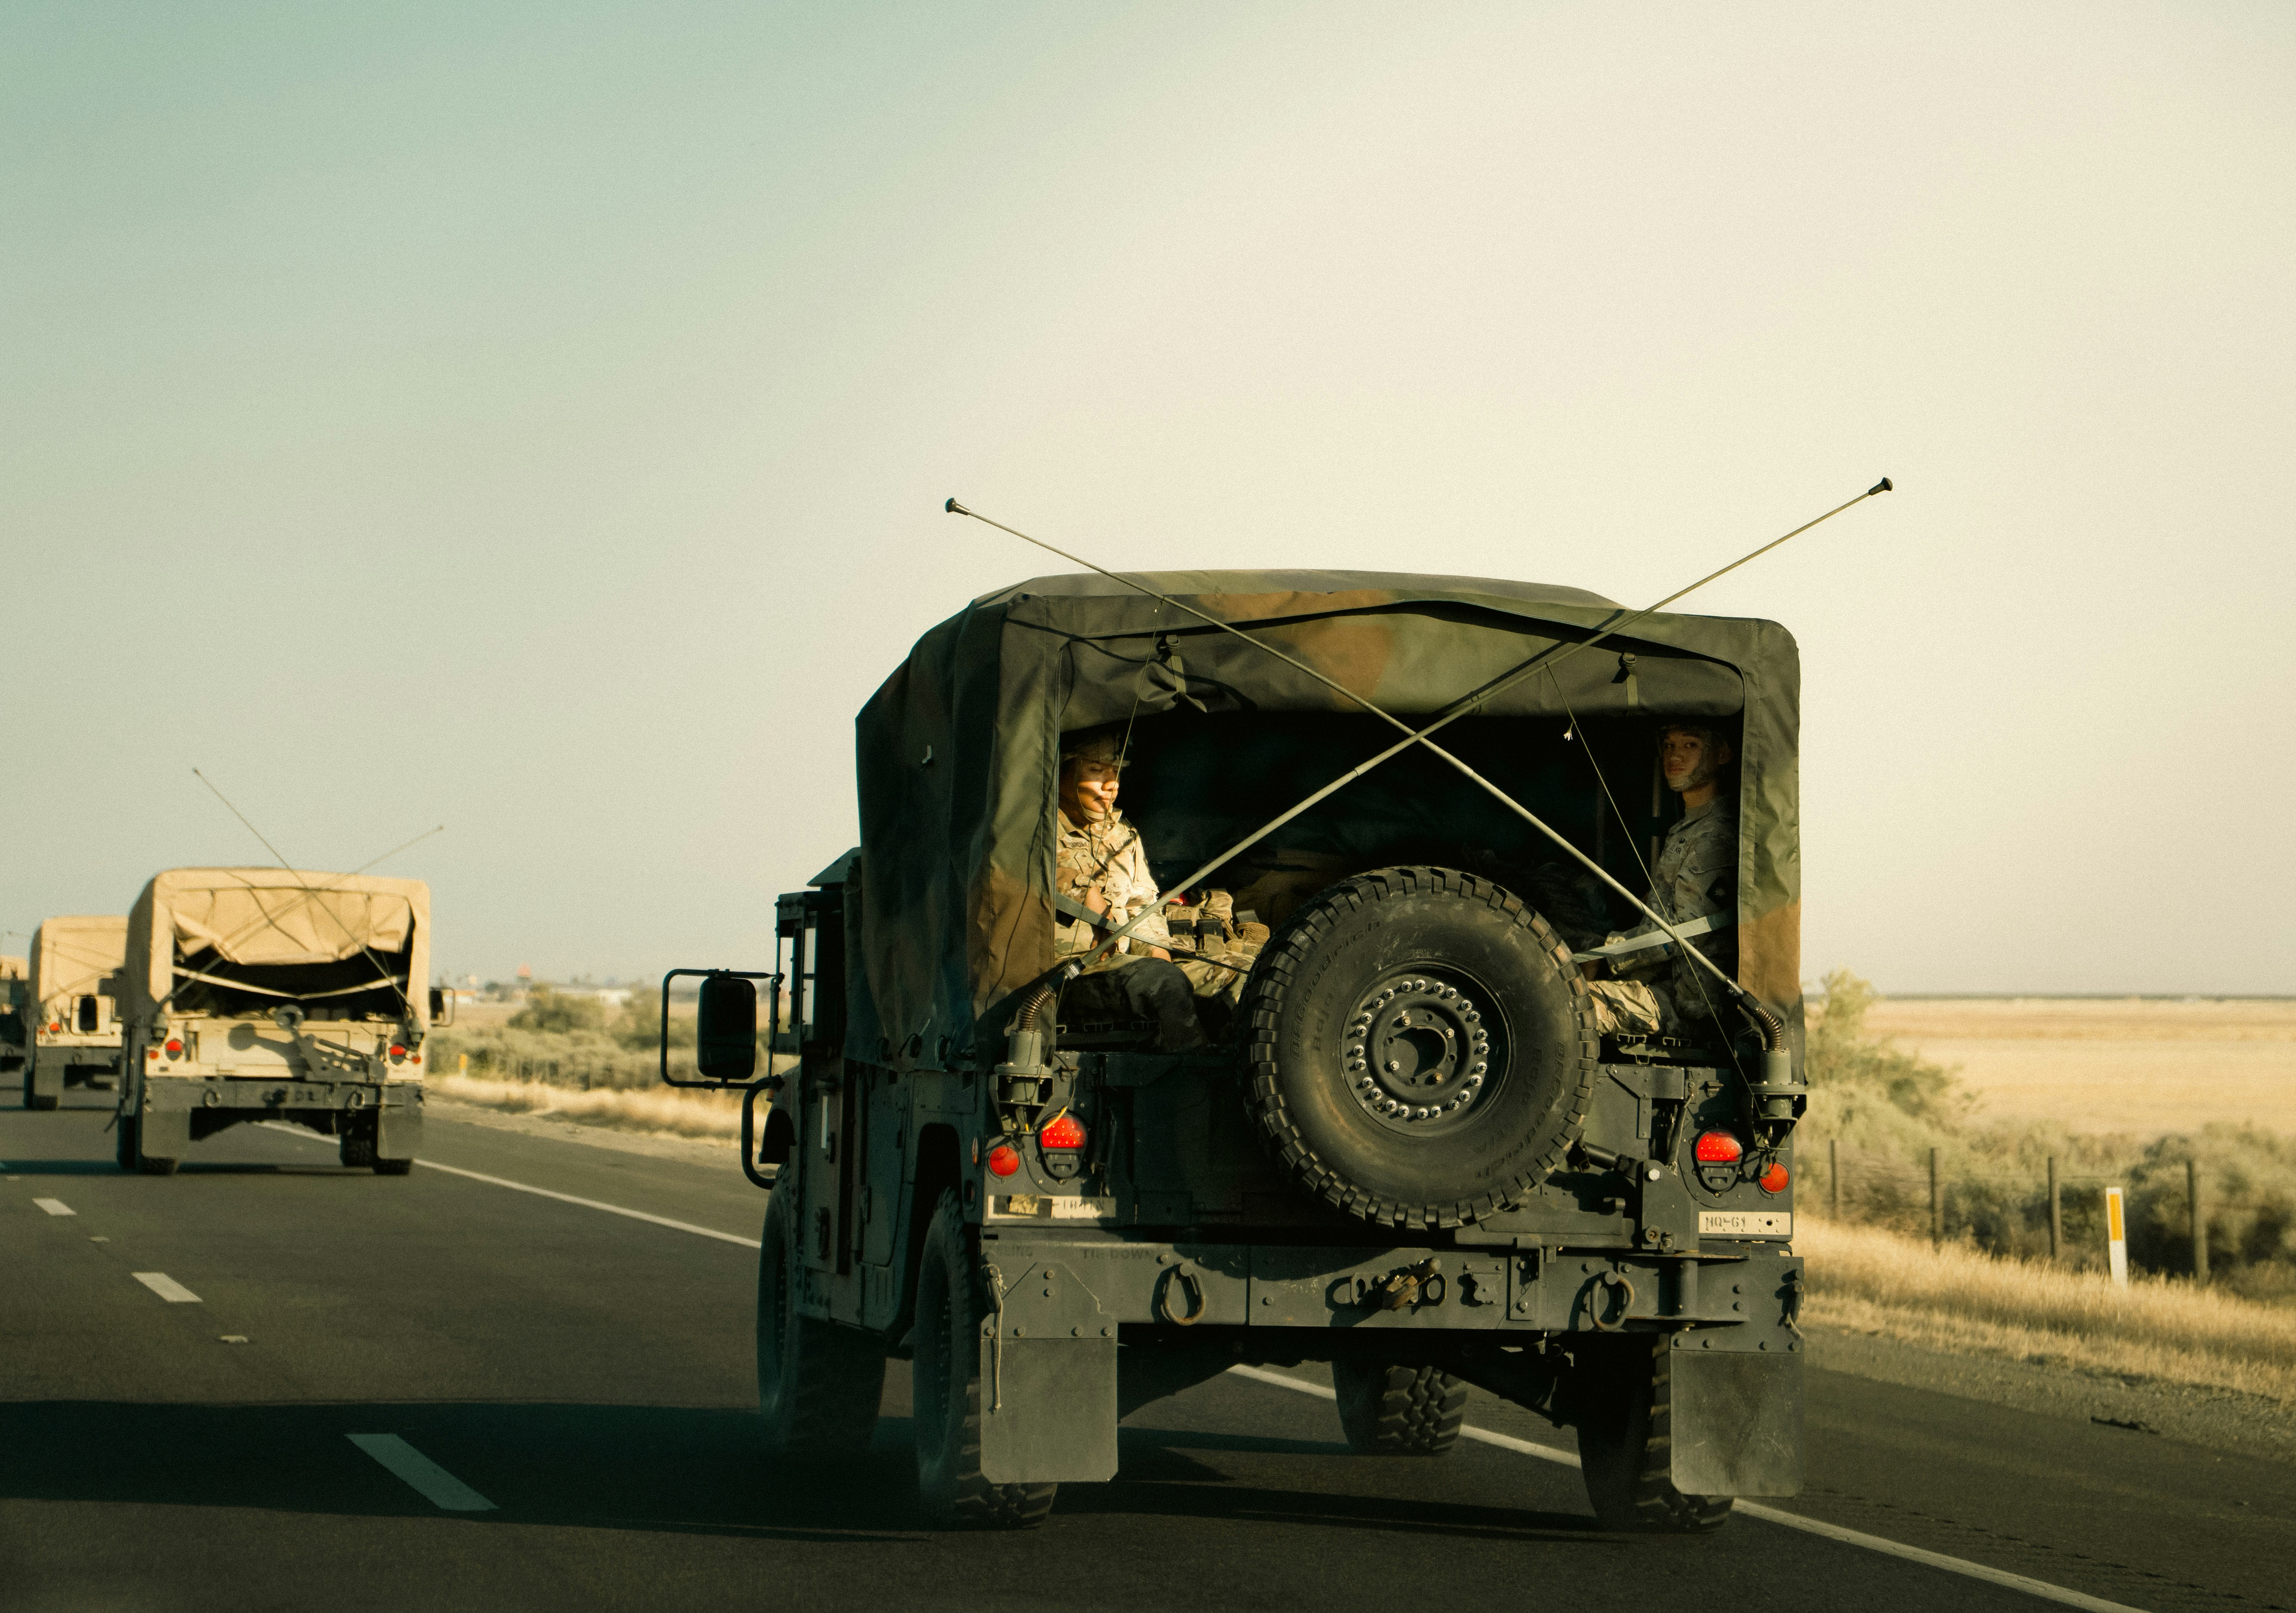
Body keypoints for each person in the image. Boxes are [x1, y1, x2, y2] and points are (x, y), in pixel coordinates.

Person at [1051, 725, 1225, 1052]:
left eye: (1116, 772)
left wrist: (1158, 953)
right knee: (1164, 984)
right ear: (1064, 767)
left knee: (1242, 976)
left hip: (1130, 965)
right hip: (1066, 976)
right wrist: (1089, 898)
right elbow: (1040, 878)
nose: (1111, 785)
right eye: (1096, 770)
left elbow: (1142, 906)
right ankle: (1192, 1087)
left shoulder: (1122, 833)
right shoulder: (1032, 829)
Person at [1584, 722, 1738, 1036]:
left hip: (1691, 1006)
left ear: (1723, 754)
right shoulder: (1690, 827)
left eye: (1691, 745)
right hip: (1664, 987)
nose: (1675, 756)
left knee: (1566, 1006)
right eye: (1669, 745)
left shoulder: (1714, 837)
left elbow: (1680, 937)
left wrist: (1606, 956)